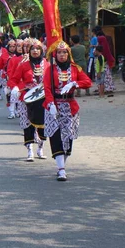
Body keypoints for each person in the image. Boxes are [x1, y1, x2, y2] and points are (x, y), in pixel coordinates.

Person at [43, 41, 92, 181]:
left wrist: (75, 83)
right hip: (54, 106)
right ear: (55, 54)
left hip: (70, 106)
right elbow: (46, 88)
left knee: (68, 136)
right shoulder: (50, 70)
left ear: (68, 54)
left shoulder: (75, 68)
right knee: (56, 136)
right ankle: (61, 169)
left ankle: (62, 164)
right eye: (59, 52)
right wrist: (51, 104)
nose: (62, 55)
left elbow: (88, 82)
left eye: (64, 52)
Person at [9, 39, 49, 161]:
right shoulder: (23, 65)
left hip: (43, 98)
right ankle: (30, 149)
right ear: (29, 51)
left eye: (37, 49)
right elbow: (13, 79)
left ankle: (40, 148)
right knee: (27, 124)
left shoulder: (47, 64)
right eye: (32, 49)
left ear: (41, 50)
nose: (35, 51)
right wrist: (15, 87)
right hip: (26, 99)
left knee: (42, 124)